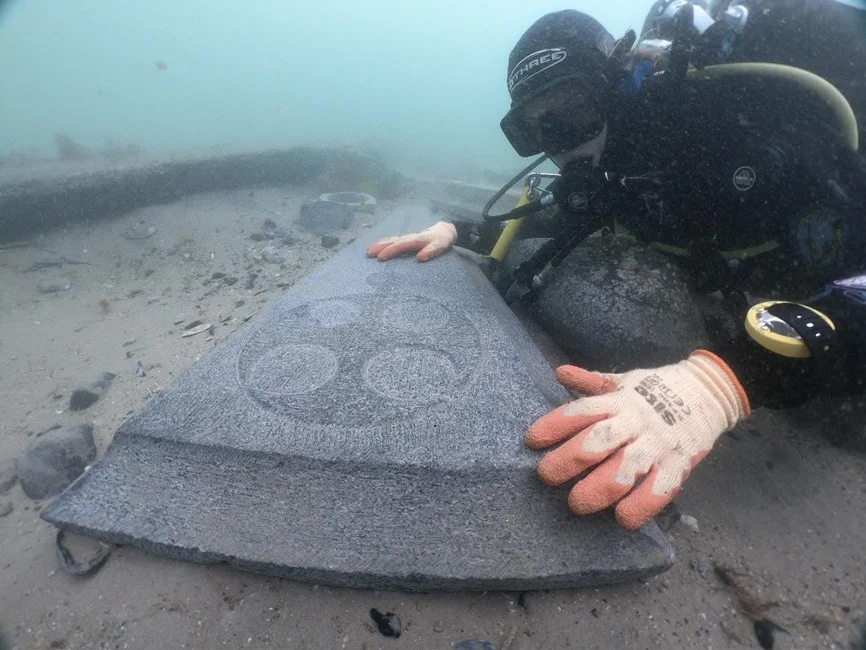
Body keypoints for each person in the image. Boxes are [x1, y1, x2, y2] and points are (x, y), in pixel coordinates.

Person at [366, 3, 866, 531]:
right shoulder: (615, 168)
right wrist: (456, 230)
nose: (562, 141)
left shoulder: (753, 132)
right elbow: (553, 222)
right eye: (536, 127)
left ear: (617, 81)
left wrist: (728, 381)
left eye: (571, 108)